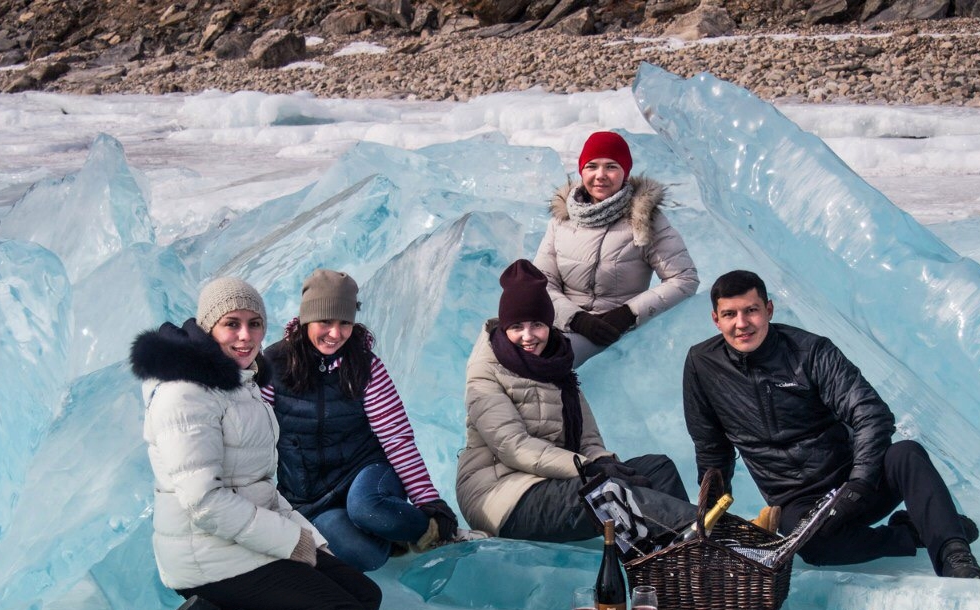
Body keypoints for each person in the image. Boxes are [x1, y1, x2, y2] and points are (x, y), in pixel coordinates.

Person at [122, 276, 382, 610]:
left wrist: (310, 540)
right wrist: (289, 542)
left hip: (243, 539)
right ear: (210, 327)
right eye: (232, 323)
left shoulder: (240, 382)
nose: (245, 336)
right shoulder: (185, 395)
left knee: (365, 598)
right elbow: (205, 502)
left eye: (254, 323)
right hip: (207, 554)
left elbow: (259, 485)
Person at [683, 270, 980, 579]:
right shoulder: (702, 365)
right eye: (730, 314)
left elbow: (871, 413)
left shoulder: (810, 351)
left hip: (856, 478)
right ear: (716, 319)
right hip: (797, 500)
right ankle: (913, 533)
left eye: (751, 310)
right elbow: (712, 448)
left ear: (769, 310)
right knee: (812, 547)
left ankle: (955, 556)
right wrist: (711, 518)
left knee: (907, 454)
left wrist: (857, 485)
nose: (742, 323)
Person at [457, 259, 697, 543]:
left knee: (656, 469)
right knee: (607, 493)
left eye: (537, 324)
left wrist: (603, 463)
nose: (528, 335)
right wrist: (588, 468)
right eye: (517, 326)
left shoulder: (558, 368)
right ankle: (702, 535)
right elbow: (513, 447)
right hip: (502, 495)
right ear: (505, 327)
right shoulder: (485, 374)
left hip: (558, 481)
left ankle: (674, 557)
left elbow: (589, 442)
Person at [262, 269, 482, 573]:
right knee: (365, 555)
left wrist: (430, 504)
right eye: (325, 321)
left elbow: (395, 436)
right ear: (306, 319)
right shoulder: (274, 364)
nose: (335, 333)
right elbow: (254, 435)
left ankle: (432, 534)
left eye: (345, 323)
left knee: (366, 507)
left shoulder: (364, 366)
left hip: (366, 475)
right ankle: (389, 536)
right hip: (310, 499)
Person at [533, 130, 699, 367]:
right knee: (494, 345)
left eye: (611, 166)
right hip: (562, 322)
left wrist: (628, 315)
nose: (600, 175)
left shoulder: (645, 219)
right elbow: (541, 281)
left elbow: (684, 278)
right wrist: (575, 318)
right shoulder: (562, 220)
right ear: (582, 171)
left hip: (612, 330)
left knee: (544, 363)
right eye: (592, 166)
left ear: (625, 173)